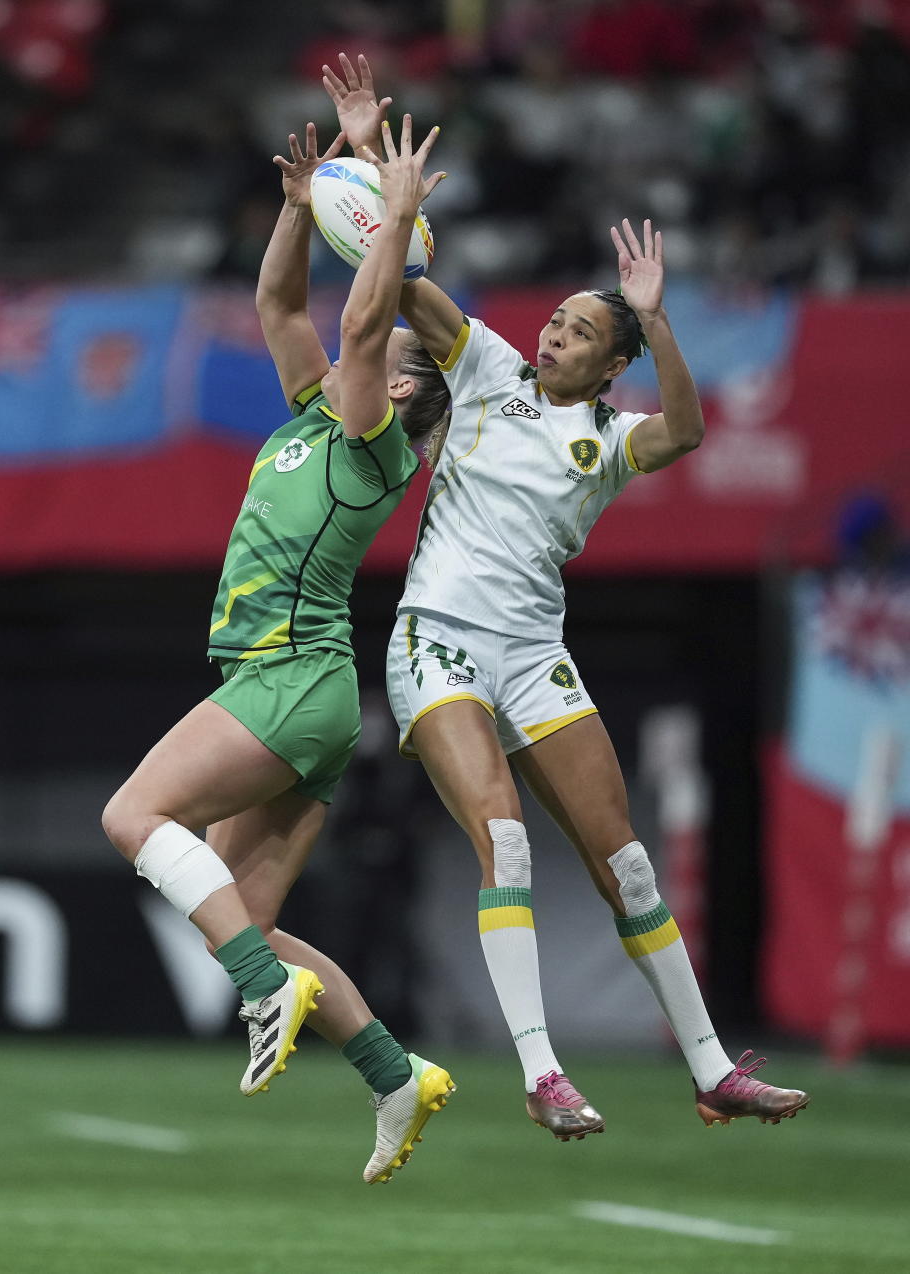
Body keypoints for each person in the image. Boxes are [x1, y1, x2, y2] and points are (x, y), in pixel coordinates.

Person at [323, 53, 810, 1138]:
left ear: (610, 365)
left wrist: (656, 314)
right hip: (438, 640)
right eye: (558, 321)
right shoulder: (488, 366)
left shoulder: (610, 438)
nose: (554, 334)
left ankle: (711, 1064)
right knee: (506, 842)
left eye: (583, 333)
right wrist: (365, 163)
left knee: (625, 860)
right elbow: (400, 281)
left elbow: (688, 430)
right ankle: (542, 1068)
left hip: (534, 650)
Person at [102, 115, 455, 1183]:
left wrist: (391, 215)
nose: (370, 347)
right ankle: (398, 1073)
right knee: (244, 918)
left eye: (389, 355)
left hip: (288, 676)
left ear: (398, 392)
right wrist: (305, 205)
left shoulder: (370, 438)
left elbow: (359, 327)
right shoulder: (316, 411)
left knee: (131, 816)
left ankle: (266, 988)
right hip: (306, 689)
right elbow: (279, 304)